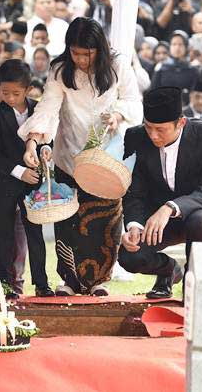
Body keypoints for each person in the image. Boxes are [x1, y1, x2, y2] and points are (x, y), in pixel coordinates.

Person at [19, 17, 142, 296]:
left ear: (99, 48)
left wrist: (119, 113)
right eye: (76, 53)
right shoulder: (61, 70)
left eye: (87, 54)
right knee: (69, 219)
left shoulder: (118, 64)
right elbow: (48, 109)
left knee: (104, 220)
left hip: (107, 157)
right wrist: (32, 142)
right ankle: (70, 280)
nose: (82, 59)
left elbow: (135, 102)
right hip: (69, 155)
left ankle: (98, 280)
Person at [119, 86, 202, 298]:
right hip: (154, 217)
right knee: (129, 258)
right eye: (148, 127)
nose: (153, 135)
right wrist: (133, 225)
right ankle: (168, 271)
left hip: (200, 211)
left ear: (181, 123)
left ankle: (192, 282)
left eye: (160, 130)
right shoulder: (135, 137)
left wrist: (169, 208)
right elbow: (134, 191)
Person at [0, 59, 54, 298]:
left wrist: (45, 152)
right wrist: (18, 170)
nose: (11, 98)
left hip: (33, 181)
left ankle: (42, 283)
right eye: (5, 93)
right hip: (6, 181)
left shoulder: (39, 111)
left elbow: (48, 140)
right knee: (3, 234)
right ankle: (3, 284)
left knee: (34, 233)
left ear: (28, 90)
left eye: (16, 93)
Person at [150, 30, 198, 106]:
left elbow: (194, 93)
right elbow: (153, 90)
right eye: (174, 44)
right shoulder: (161, 67)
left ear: (186, 47)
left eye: (180, 44)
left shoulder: (192, 69)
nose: (177, 48)